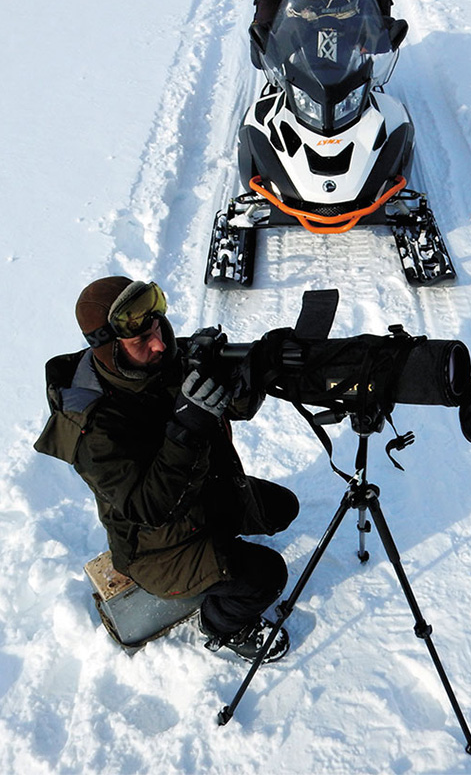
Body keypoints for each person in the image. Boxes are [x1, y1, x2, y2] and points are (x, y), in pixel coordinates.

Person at [34, 276, 299, 663]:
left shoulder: (161, 355)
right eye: (143, 340)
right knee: (267, 575)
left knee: (281, 508)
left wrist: (256, 368)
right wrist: (188, 429)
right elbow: (150, 508)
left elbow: (233, 406)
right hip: (155, 545)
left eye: (158, 327)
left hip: (201, 489)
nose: (159, 343)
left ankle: (222, 552)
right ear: (109, 350)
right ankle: (221, 627)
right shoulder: (91, 426)